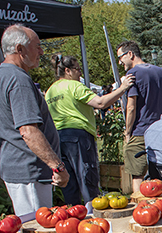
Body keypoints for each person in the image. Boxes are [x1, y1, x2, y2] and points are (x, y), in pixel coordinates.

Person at [0, 24, 68, 216]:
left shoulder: (0, 76)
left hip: (23, 169)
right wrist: (58, 166)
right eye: (37, 46)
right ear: (20, 49)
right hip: (29, 171)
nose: (41, 52)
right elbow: (28, 131)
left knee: (33, 225)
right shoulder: (17, 79)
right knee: (37, 228)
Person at [45, 55, 134, 205]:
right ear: (67, 71)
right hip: (78, 136)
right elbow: (100, 103)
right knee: (87, 177)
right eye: (77, 69)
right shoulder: (74, 86)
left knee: (69, 181)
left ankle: (74, 211)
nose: (80, 73)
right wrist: (123, 88)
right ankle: (94, 210)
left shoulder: (50, 91)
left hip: (58, 137)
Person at [116, 40, 162, 194]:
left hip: (140, 130)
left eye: (120, 57)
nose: (119, 62)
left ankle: (140, 204)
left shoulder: (132, 74)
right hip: (160, 129)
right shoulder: (161, 72)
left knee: (137, 174)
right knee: (160, 172)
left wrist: (127, 132)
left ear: (130, 54)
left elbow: (131, 107)